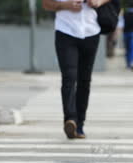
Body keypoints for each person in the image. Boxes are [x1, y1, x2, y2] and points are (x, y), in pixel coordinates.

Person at [43, 0, 111, 139]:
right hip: (65, 31)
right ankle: (70, 120)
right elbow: (46, 4)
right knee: (69, 76)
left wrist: (98, 2)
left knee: (84, 80)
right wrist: (65, 5)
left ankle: (79, 124)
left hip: (91, 31)